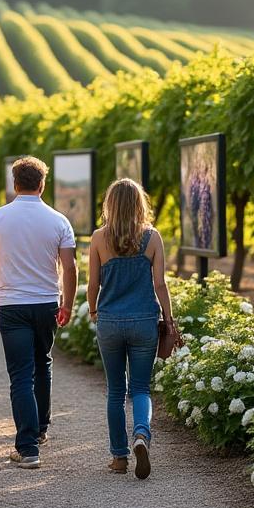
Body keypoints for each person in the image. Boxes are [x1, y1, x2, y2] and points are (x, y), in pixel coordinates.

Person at [0, 156, 77, 470]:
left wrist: (4, 263)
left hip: (11, 303)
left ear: (15, 183)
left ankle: (28, 447)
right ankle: (42, 428)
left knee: (20, 374)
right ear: (42, 184)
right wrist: (68, 304)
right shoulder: (59, 220)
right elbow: (70, 267)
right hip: (47, 302)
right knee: (42, 363)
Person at [87, 178, 179, 479]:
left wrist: (93, 310)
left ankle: (119, 457)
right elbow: (160, 284)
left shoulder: (99, 238)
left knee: (115, 391)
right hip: (143, 322)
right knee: (140, 388)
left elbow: (93, 284)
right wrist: (169, 319)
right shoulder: (152, 238)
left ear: (109, 205)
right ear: (140, 204)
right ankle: (141, 434)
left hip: (110, 322)